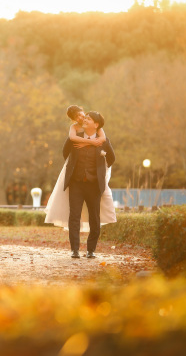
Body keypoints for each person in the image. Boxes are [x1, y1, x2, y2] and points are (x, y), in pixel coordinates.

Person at [44, 106, 116, 258]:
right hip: (76, 183)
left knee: (94, 218)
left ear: (96, 124)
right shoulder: (75, 135)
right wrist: (74, 169)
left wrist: (100, 173)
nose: (84, 119)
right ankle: (74, 250)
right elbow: (65, 153)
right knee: (74, 216)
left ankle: (91, 251)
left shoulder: (103, 141)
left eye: (88, 119)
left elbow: (111, 159)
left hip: (94, 185)